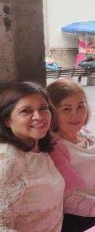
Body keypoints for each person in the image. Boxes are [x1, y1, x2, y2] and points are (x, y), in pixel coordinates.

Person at [46, 79, 95, 232]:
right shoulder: (52, 147)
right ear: (52, 112)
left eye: (80, 106)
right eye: (66, 109)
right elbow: (67, 198)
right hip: (84, 218)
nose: (76, 115)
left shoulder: (87, 135)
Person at [0, 82, 65, 231]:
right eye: (26, 111)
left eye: (43, 108)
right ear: (7, 120)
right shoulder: (8, 160)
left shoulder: (37, 149)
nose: (39, 116)